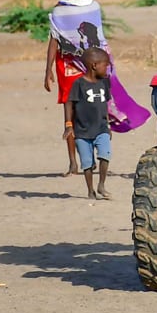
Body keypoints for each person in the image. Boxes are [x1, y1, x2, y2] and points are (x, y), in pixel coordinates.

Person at [45, 0, 149, 175]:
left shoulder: (93, 5)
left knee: (96, 110)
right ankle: (74, 164)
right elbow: (55, 39)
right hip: (68, 65)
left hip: (94, 65)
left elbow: (99, 37)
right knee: (72, 111)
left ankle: (98, 161)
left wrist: (106, 61)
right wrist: (48, 70)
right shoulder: (59, 10)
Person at [65, 48, 114, 200]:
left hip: (101, 128)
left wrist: (108, 125)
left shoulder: (104, 83)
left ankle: (101, 185)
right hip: (82, 131)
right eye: (105, 65)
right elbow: (69, 103)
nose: (107, 68)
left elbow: (105, 104)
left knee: (105, 155)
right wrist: (68, 125)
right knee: (87, 163)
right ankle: (90, 190)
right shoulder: (78, 84)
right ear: (94, 65)